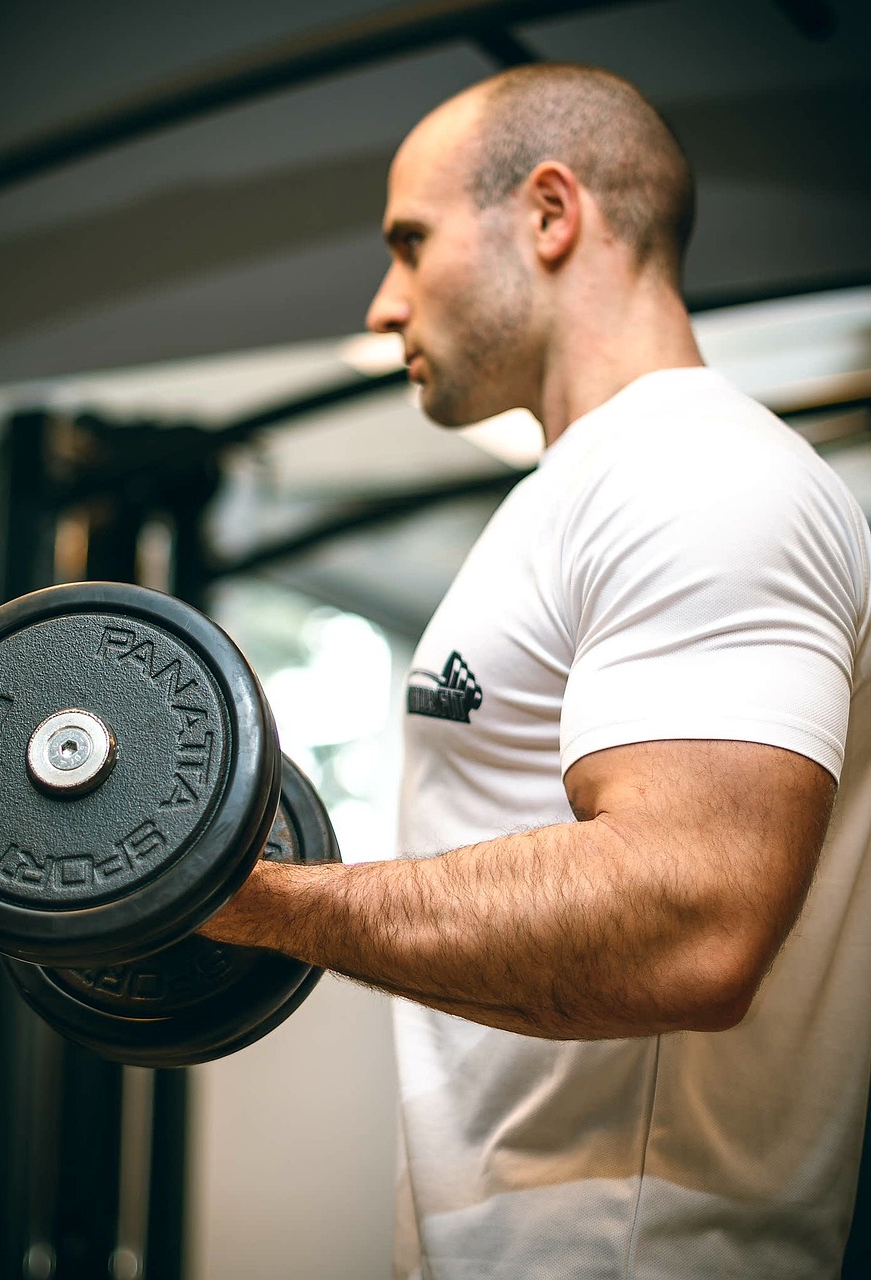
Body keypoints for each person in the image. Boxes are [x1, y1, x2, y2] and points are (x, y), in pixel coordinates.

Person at [202, 62, 871, 1278]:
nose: (382, 304)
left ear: (551, 215)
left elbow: (690, 920)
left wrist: (253, 902)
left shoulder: (699, 474)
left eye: (411, 243)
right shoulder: (582, 489)